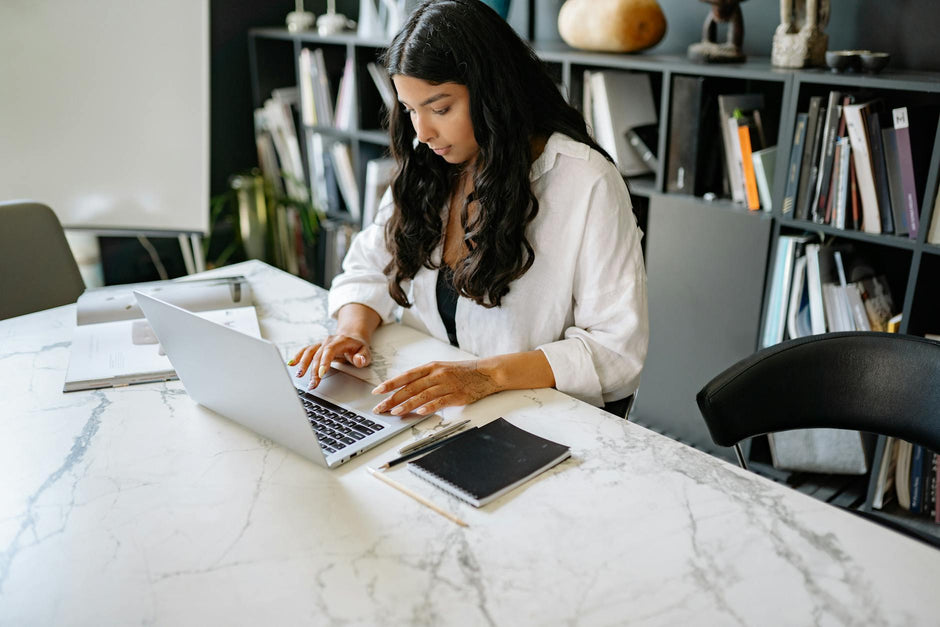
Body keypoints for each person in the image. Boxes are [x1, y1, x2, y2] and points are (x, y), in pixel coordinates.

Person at [291, 0, 648, 417]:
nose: (422, 132)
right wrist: (352, 331)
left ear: (493, 93)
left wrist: (486, 376)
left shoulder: (586, 182)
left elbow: (616, 350)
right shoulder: (429, 164)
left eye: (440, 108)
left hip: (534, 418)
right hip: (433, 408)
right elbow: (370, 265)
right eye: (410, 110)